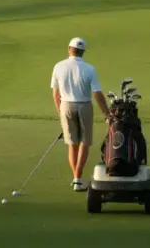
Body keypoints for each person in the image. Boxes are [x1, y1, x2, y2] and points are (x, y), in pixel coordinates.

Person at [50, 37, 110, 191]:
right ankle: (78, 178)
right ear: (83, 52)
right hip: (84, 105)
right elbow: (97, 93)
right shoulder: (89, 69)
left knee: (72, 144)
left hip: (65, 106)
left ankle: (76, 178)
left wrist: (61, 114)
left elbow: (56, 95)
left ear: (69, 49)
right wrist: (107, 113)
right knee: (84, 142)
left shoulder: (58, 66)